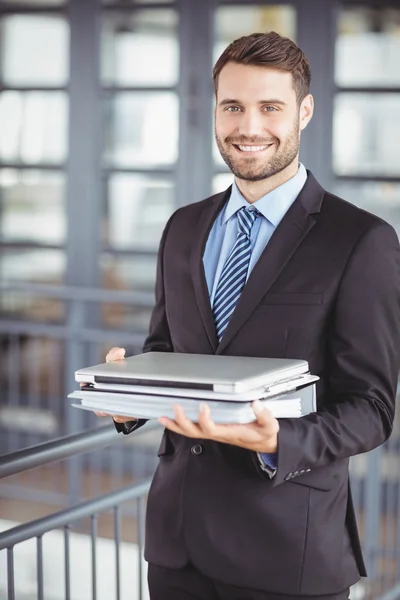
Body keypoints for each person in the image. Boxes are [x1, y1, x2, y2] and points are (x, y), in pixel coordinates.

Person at [95, 32, 400, 600]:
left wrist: (277, 439)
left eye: (270, 107)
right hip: (176, 544)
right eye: (233, 106)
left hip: (287, 553)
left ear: (304, 112)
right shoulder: (183, 228)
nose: (248, 125)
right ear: (215, 110)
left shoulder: (362, 241)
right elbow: (167, 351)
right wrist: (129, 395)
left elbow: (372, 410)